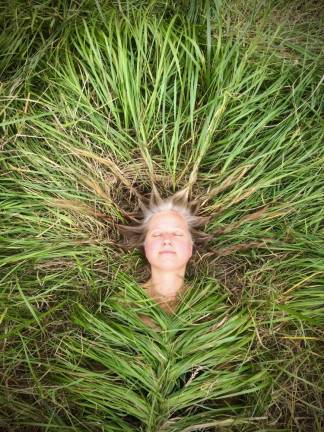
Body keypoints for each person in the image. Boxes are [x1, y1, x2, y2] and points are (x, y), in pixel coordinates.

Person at [117, 185, 211, 327]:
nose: (167, 239)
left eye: (177, 234)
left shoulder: (210, 307)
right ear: (145, 247)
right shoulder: (119, 304)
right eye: (157, 234)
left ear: (190, 247)